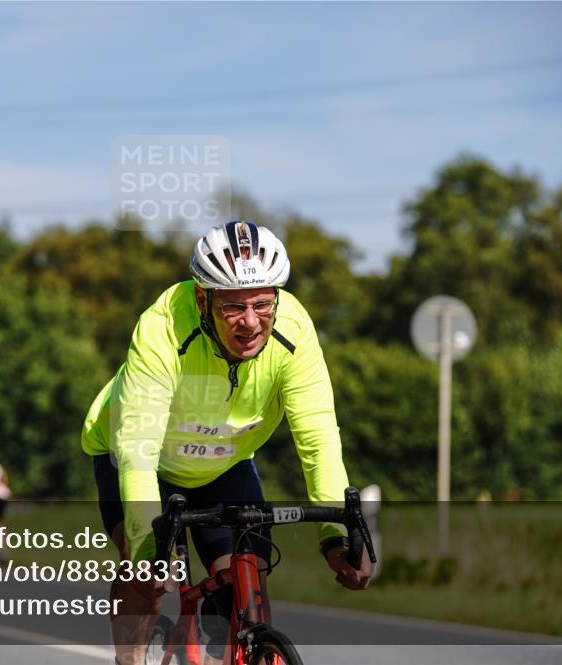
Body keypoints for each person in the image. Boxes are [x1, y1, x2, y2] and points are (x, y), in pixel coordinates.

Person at [80, 221, 374, 665]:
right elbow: (138, 448)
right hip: (143, 460)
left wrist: (335, 535)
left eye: (262, 304)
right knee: (145, 575)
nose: (251, 322)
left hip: (224, 462)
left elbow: (317, 438)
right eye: (233, 306)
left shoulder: (294, 329)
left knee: (245, 583)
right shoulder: (162, 328)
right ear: (203, 299)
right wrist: (145, 551)